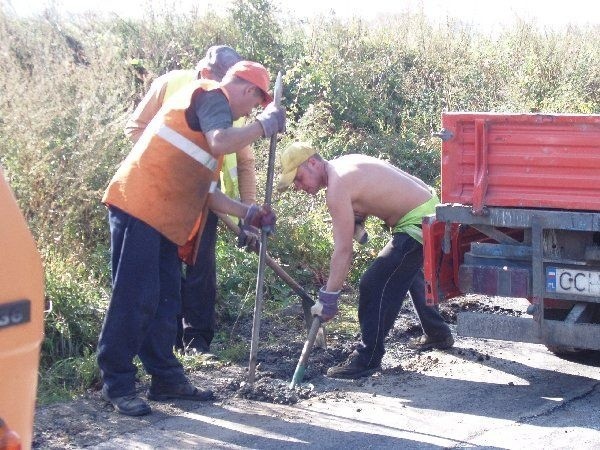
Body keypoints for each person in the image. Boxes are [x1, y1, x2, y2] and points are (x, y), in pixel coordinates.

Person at [98, 60, 284, 416]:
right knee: (135, 297)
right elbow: (219, 142)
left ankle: (166, 378)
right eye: (253, 106)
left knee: (166, 300)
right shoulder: (211, 97)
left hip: (163, 218)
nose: (249, 114)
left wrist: (248, 213)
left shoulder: (215, 116)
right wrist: (265, 126)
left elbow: (209, 194)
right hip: (139, 206)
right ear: (247, 90)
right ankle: (117, 383)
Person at [277, 142, 453, 380]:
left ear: (312, 162)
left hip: (419, 222)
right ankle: (437, 332)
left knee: (374, 282)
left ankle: (368, 357)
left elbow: (343, 251)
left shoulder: (336, 188)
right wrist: (358, 215)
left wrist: (329, 298)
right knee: (405, 271)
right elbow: (378, 190)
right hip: (431, 207)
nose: (298, 187)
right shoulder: (343, 164)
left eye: (298, 179)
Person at [124, 45, 256, 356]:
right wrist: (170, 165)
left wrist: (247, 214)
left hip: (203, 197)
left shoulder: (234, 106)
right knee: (156, 275)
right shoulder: (172, 86)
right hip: (155, 195)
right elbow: (135, 128)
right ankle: (154, 351)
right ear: (209, 74)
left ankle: (195, 341)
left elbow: (245, 162)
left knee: (199, 267)